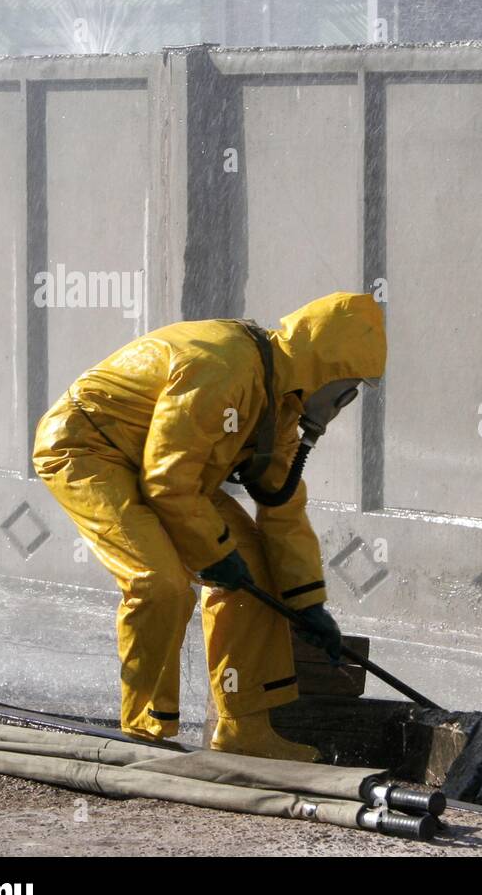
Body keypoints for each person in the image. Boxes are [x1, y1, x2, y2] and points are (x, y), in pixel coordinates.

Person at [32, 292, 386, 761]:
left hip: (166, 471)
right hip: (89, 448)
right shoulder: (225, 368)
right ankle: (141, 729)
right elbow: (168, 481)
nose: (347, 400)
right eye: (350, 385)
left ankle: (245, 730)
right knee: (160, 583)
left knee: (256, 571)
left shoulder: (279, 402)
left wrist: (308, 603)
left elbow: (283, 510)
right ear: (328, 369)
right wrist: (214, 556)